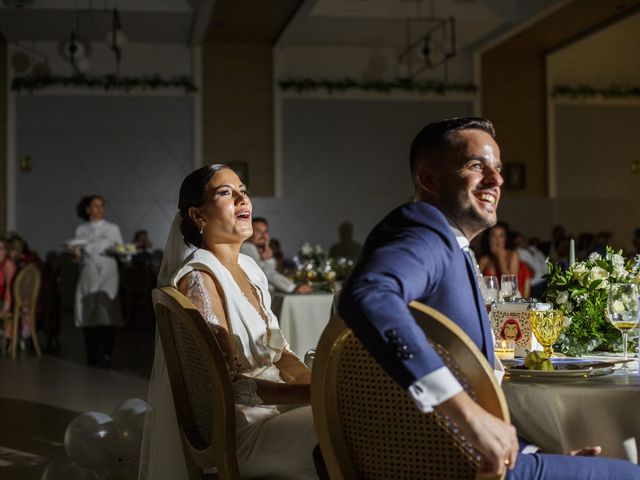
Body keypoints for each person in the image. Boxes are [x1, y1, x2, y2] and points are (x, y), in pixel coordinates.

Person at [338, 117, 640, 479]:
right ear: (429, 180)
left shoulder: (452, 245)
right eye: (476, 166)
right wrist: (467, 416)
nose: (496, 180)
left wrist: (537, 452)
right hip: (459, 466)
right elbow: (369, 294)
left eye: (497, 168)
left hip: (461, 459)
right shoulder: (425, 230)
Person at [139, 164, 318, 480]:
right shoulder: (199, 279)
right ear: (198, 215)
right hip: (242, 430)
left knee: (356, 412)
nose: (242, 199)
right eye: (226, 193)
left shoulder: (251, 268)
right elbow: (228, 385)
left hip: (278, 410)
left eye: (243, 192)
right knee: (351, 429)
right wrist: (310, 397)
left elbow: (281, 353)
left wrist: (319, 388)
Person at [70, 195, 123, 368]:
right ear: (88, 209)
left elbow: (121, 250)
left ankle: (107, 352)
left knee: (107, 310)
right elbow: (77, 255)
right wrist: (74, 254)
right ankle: (92, 352)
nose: (99, 209)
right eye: (95, 206)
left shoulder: (112, 228)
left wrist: (120, 251)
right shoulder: (81, 229)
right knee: (88, 310)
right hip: (89, 271)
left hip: (108, 271)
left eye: (102, 206)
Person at [240, 217, 312, 294]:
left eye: (265, 231)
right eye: (258, 231)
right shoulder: (246, 247)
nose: (263, 235)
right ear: (248, 232)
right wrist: (293, 287)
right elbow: (264, 272)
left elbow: (268, 275)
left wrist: (267, 250)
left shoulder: (257, 250)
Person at [478, 221, 531, 299]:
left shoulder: (513, 254)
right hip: (489, 301)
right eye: (493, 235)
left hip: (510, 300)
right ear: (488, 238)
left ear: (506, 238)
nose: (497, 240)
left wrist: (499, 256)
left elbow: (510, 285)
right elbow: (477, 284)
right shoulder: (484, 260)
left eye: (501, 236)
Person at [0, 237, 17, 349]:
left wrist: (5, 309)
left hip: (7, 301)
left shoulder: (8, 265)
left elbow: (9, 291)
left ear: (5, 250)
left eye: (1, 248)